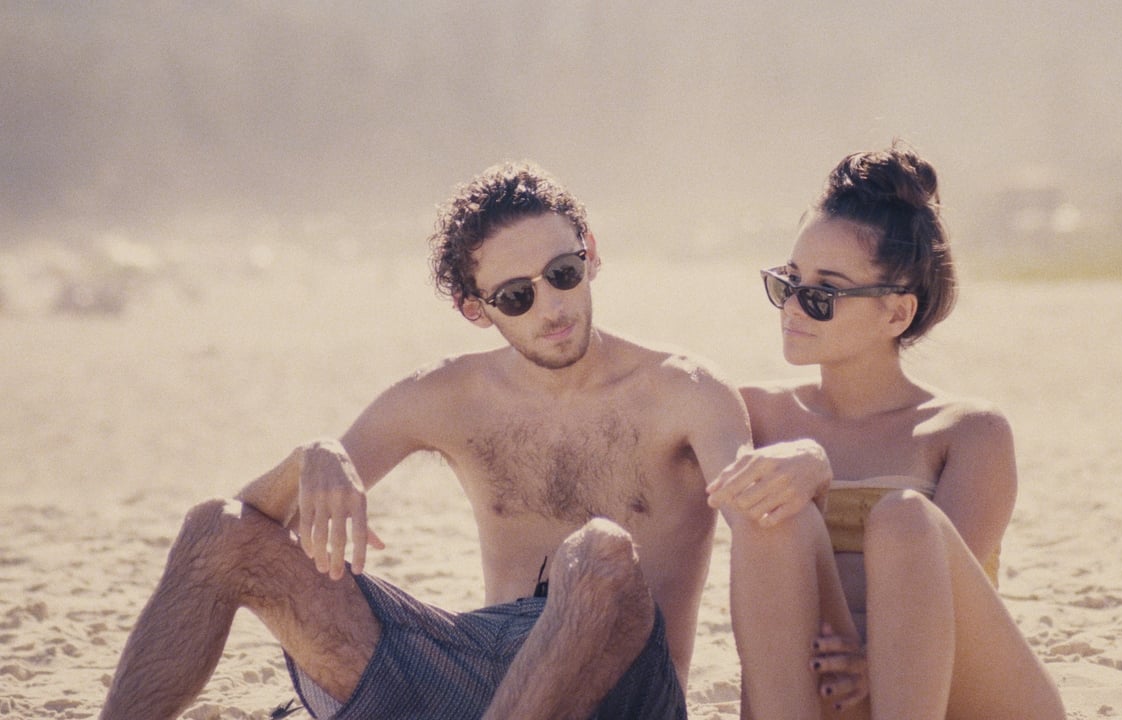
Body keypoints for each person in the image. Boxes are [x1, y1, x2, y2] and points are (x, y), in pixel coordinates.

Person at [100, 161, 750, 720]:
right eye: (516, 296)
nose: (552, 307)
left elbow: (762, 527)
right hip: (477, 676)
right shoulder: (446, 396)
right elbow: (246, 537)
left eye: (563, 272)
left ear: (592, 254)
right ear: (475, 309)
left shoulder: (686, 392)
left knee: (599, 550)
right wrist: (310, 459)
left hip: (621, 687)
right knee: (215, 528)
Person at [706, 144, 1066, 719]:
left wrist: (874, 658)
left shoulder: (967, 432)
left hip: (950, 695)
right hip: (823, 693)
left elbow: (940, 608)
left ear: (896, 314)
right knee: (774, 513)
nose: (793, 307)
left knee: (905, 519)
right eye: (788, 282)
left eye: (822, 294)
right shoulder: (756, 415)